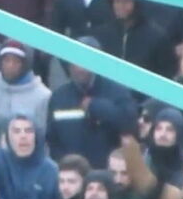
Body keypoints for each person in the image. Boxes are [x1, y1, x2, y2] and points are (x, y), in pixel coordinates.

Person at [47, 40, 138, 169]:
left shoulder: (117, 91)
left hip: (108, 175)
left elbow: (130, 124)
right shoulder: (59, 97)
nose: (80, 68)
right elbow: (52, 139)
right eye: (76, 61)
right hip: (71, 177)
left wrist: (96, 106)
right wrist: (66, 166)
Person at [0, 40, 51, 131]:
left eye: (16, 62)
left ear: (26, 65)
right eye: (6, 60)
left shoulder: (43, 96)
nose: (10, 66)